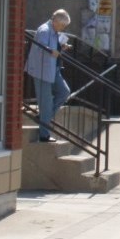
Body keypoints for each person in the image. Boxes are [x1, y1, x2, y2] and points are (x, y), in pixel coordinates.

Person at [25, 9, 73, 142]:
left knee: (64, 92)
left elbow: (51, 47)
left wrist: (61, 47)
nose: (63, 28)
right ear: (56, 21)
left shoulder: (54, 31)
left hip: (53, 69)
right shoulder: (45, 30)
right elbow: (41, 46)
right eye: (62, 25)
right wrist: (53, 51)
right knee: (45, 102)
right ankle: (44, 134)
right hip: (43, 71)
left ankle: (44, 117)